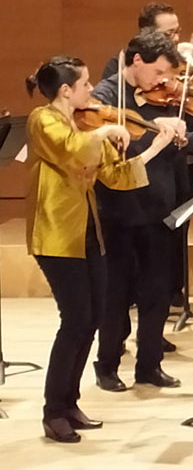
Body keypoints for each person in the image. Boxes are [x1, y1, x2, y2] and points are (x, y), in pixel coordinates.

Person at [24, 57, 175, 442]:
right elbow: (72, 150)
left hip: (89, 233)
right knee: (75, 320)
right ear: (65, 91)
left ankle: (69, 403)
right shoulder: (43, 120)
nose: (92, 91)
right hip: (57, 236)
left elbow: (116, 176)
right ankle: (53, 410)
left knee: (90, 319)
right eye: (86, 84)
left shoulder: (84, 124)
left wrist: (155, 147)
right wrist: (107, 129)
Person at [92, 30, 193, 391]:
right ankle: (106, 365)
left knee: (157, 291)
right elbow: (114, 148)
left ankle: (149, 365)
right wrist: (153, 133)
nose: (163, 81)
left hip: (160, 207)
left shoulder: (162, 97)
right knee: (117, 294)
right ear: (136, 61)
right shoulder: (106, 96)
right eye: (158, 72)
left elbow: (177, 149)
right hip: (120, 210)